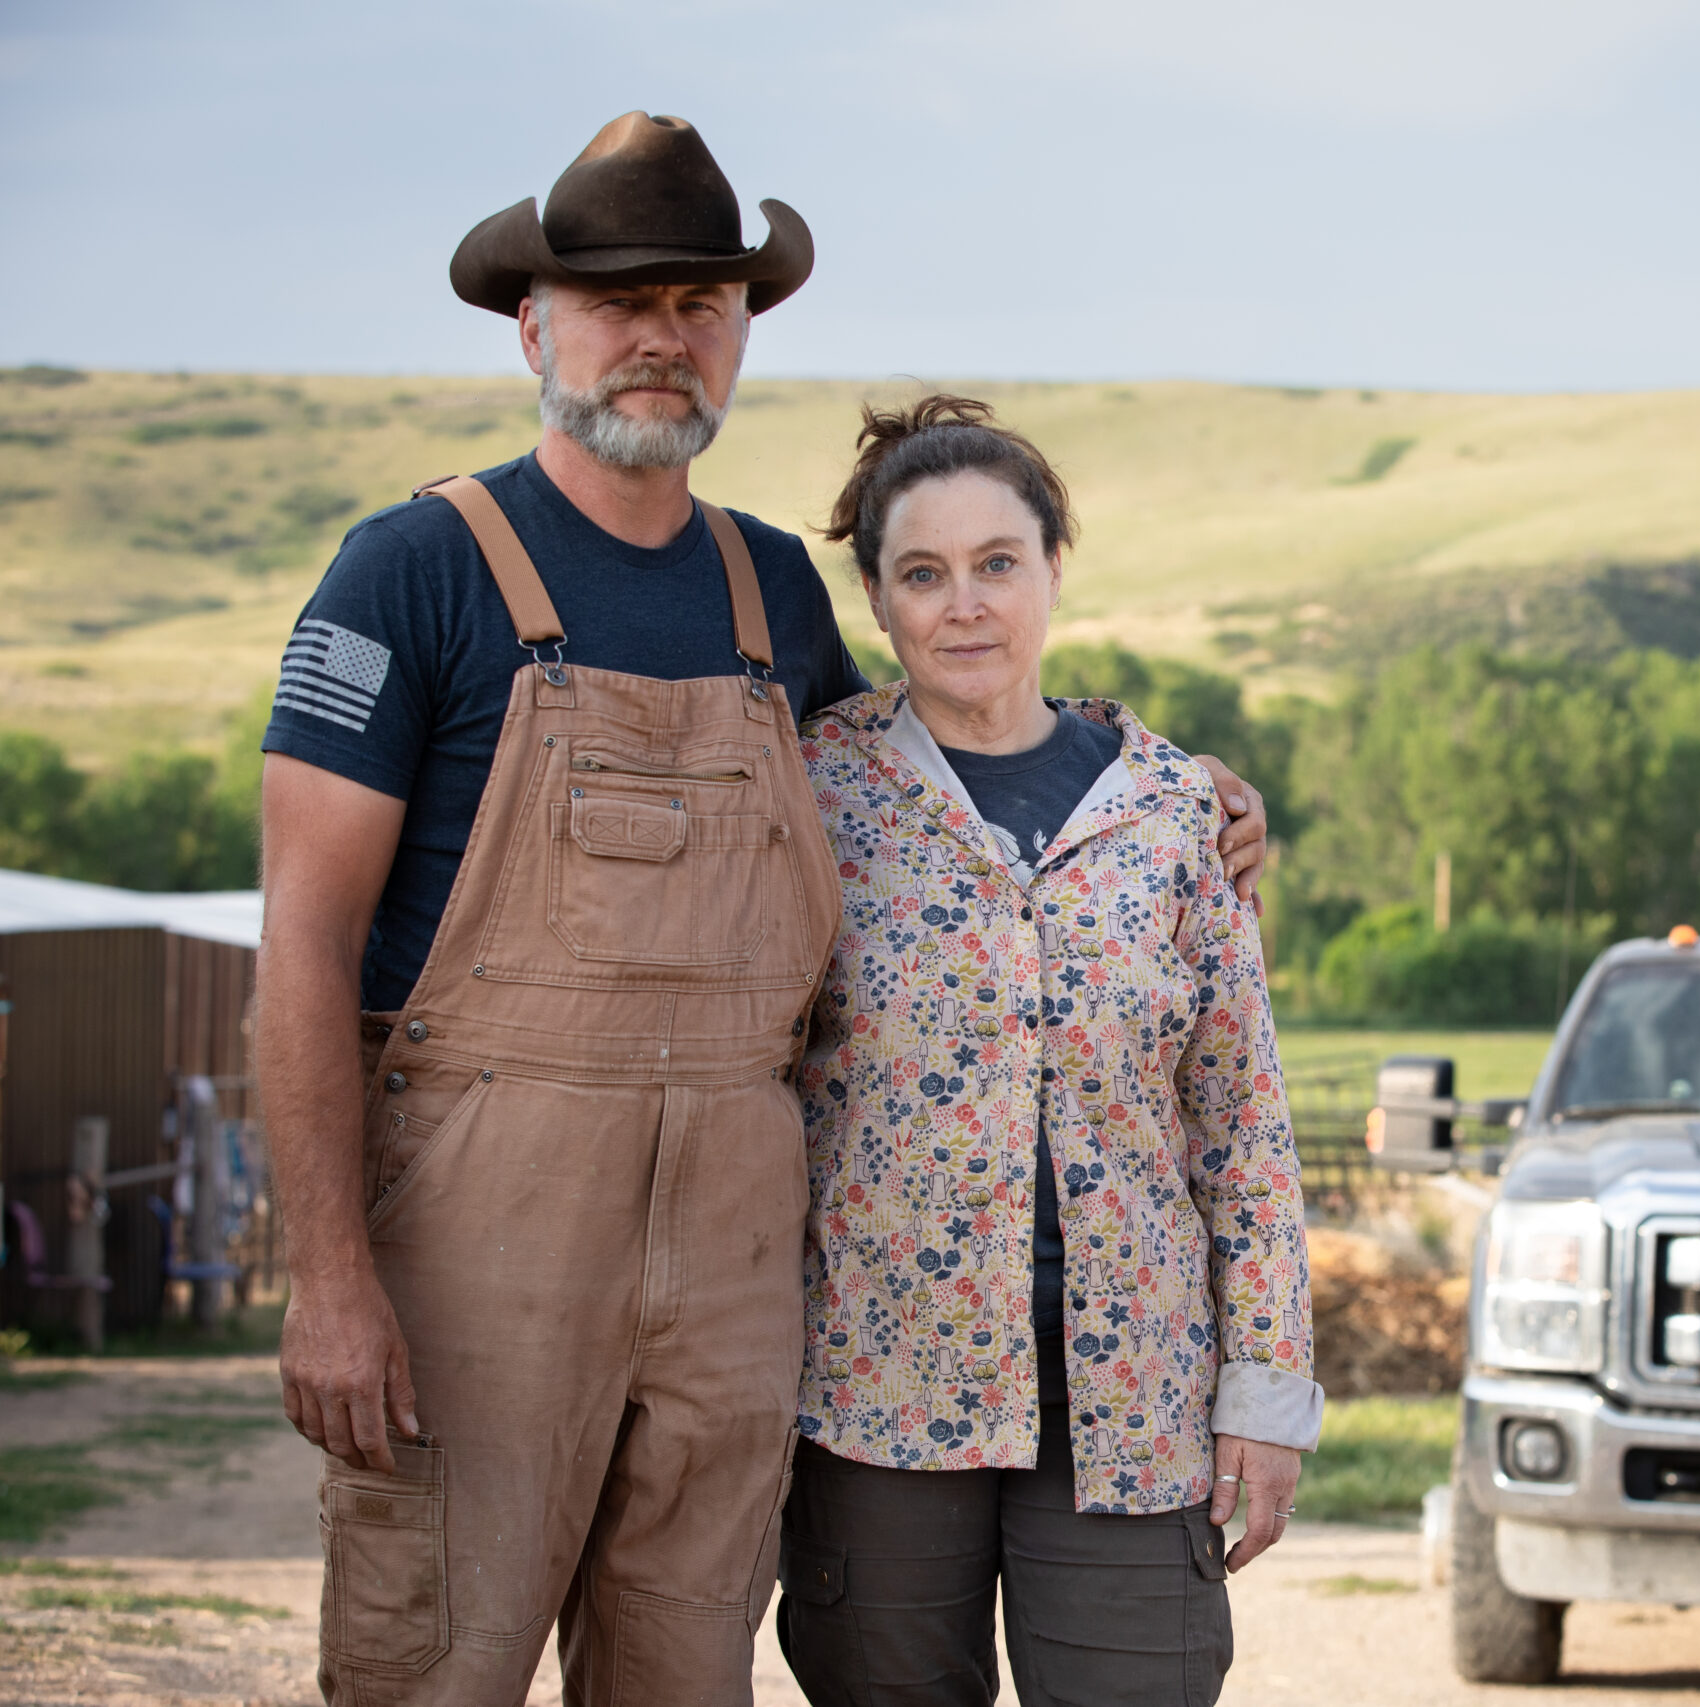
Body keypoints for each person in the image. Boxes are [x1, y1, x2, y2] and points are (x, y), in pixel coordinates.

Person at [256, 117, 1269, 1706]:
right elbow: (303, 947)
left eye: (702, 305)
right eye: (619, 302)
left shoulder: (772, 597)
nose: (663, 340)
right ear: (534, 325)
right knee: (436, 1665)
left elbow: (939, 782)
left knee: (685, 1667)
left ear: (740, 337)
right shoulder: (412, 571)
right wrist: (329, 1279)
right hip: (483, 1226)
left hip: (734, 1253)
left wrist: (1161, 782)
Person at [783, 397, 1320, 1707]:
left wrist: (1265, 1390)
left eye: (997, 563)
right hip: (881, 1395)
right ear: (877, 596)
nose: (965, 605)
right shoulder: (812, 797)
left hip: (1133, 1404)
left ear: (1054, 569)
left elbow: (1241, 1123)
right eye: (924, 573)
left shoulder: (1174, 812)